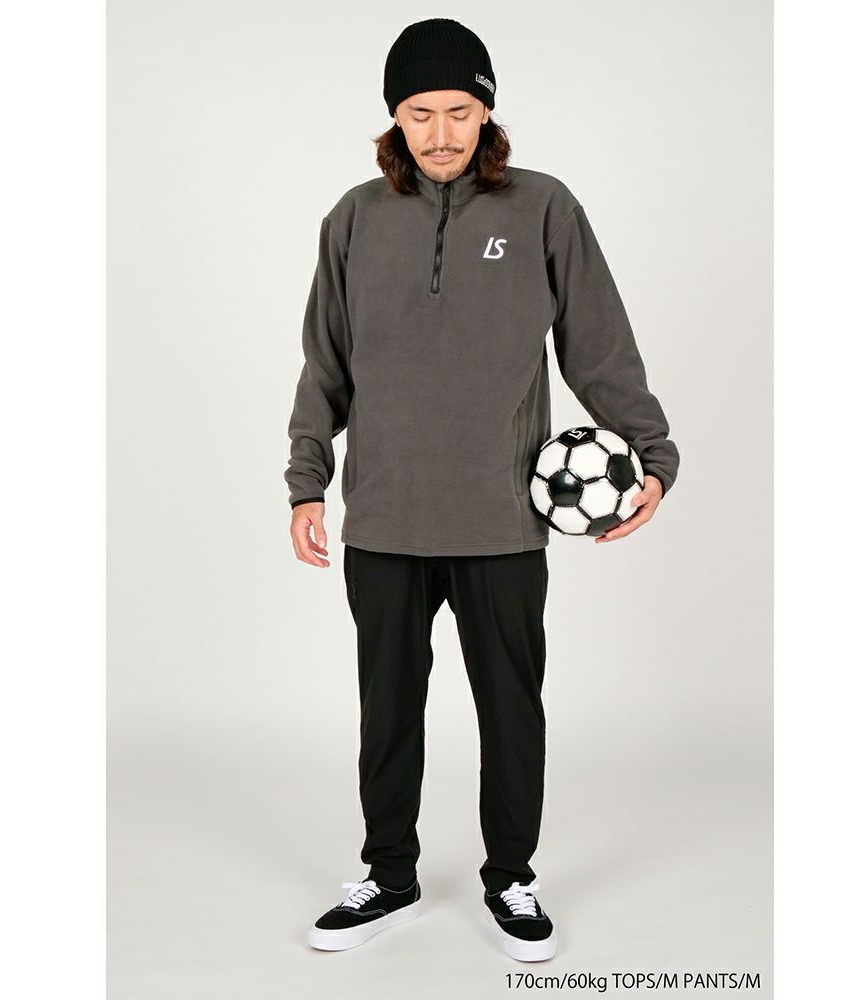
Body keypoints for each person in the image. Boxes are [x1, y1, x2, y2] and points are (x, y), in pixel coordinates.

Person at [284, 18, 680, 962]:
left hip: (502, 518)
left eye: (459, 111)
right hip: (384, 518)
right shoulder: (353, 218)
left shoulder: (543, 207)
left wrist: (653, 454)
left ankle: (512, 878)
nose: (440, 132)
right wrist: (307, 480)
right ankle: (389, 875)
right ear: (395, 117)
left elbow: (599, 345)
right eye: (420, 113)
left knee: (511, 709)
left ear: (488, 110)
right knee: (387, 711)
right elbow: (324, 363)